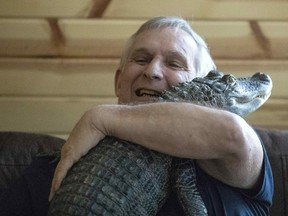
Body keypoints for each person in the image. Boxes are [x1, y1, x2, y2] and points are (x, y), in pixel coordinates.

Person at [48, 16, 273, 215]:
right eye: (141, 59)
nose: (152, 71)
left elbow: (230, 133)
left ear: (204, 80)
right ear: (118, 82)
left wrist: (99, 118)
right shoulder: (56, 165)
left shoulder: (239, 154)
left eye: (174, 63)